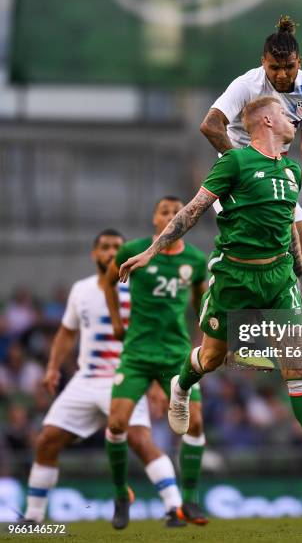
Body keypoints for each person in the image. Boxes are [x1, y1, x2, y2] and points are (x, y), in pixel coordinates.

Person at [119, 97, 302, 498]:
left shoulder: (290, 169)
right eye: (286, 114)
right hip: (234, 275)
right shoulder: (234, 162)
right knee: (211, 358)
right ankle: (181, 386)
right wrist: (150, 251)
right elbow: (192, 211)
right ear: (266, 119)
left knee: (297, 369)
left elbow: (287, 232)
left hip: (278, 277)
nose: (293, 120)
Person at [23, 230, 184, 528]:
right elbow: (67, 332)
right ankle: (33, 517)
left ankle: (175, 508)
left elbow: (156, 335)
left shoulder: (140, 287)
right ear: (94, 254)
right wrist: (53, 367)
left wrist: (155, 383)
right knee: (47, 440)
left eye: (117, 247)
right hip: (86, 380)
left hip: (125, 376)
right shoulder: (81, 290)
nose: (111, 252)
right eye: (105, 247)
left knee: (140, 440)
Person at [199, 16, 302, 325]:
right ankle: (227, 323)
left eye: (289, 67)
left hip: (275, 177)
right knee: (254, 256)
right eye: (274, 68)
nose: (282, 74)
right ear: (263, 63)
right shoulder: (246, 86)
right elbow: (210, 124)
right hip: (238, 182)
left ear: (300, 61)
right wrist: (242, 164)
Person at [104, 197, 208, 528]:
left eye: (176, 211)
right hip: (136, 355)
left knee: (196, 423)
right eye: (164, 210)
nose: (170, 215)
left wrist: (200, 342)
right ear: (154, 218)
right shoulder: (133, 251)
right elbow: (109, 281)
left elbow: (199, 303)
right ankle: (121, 494)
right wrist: (117, 323)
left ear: (185, 219)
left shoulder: (194, 260)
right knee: (117, 424)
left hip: (176, 356)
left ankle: (189, 501)